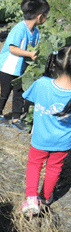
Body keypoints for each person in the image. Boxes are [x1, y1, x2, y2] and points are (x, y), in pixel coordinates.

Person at [21, 45, 71, 217]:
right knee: (54, 168)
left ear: (55, 64)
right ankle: (45, 198)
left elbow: (27, 98)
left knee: (34, 164)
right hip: (63, 142)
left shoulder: (42, 84)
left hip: (40, 138)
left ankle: (32, 199)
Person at [0, 0, 50, 131]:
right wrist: (30, 54)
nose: (46, 18)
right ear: (40, 16)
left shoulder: (35, 32)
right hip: (7, 68)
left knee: (20, 94)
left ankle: (16, 118)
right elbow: (12, 48)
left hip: (22, 70)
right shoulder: (19, 29)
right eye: (46, 15)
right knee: (3, 93)